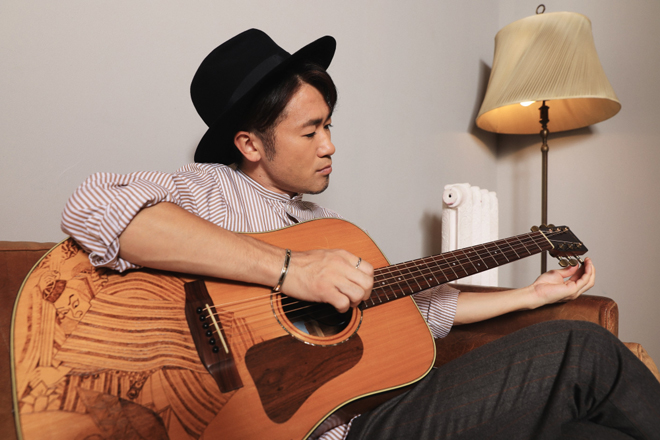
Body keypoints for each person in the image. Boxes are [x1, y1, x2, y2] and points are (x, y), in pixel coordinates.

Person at [61, 29, 660, 439]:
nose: (330, 145)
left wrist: (532, 295)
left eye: (330, 126)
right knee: (581, 347)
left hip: (368, 415)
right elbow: (95, 206)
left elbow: (419, 313)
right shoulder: (208, 191)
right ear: (249, 144)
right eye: (310, 131)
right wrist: (289, 269)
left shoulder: (321, 230)